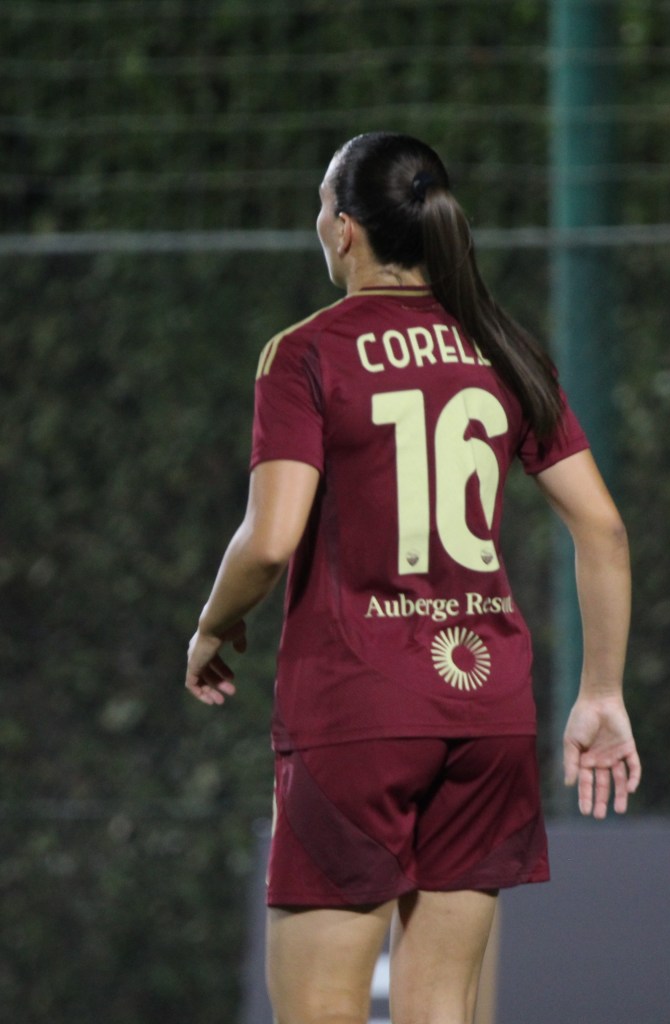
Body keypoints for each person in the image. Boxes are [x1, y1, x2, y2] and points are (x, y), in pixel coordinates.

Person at [185, 132, 639, 1024]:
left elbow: (269, 543)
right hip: (487, 711)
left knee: (321, 1007)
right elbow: (605, 529)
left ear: (344, 229)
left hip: (356, 714)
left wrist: (211, 625)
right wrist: (601, 692)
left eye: (321, 207)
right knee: (442, 1010)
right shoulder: (504, 347)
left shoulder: (307, 352)